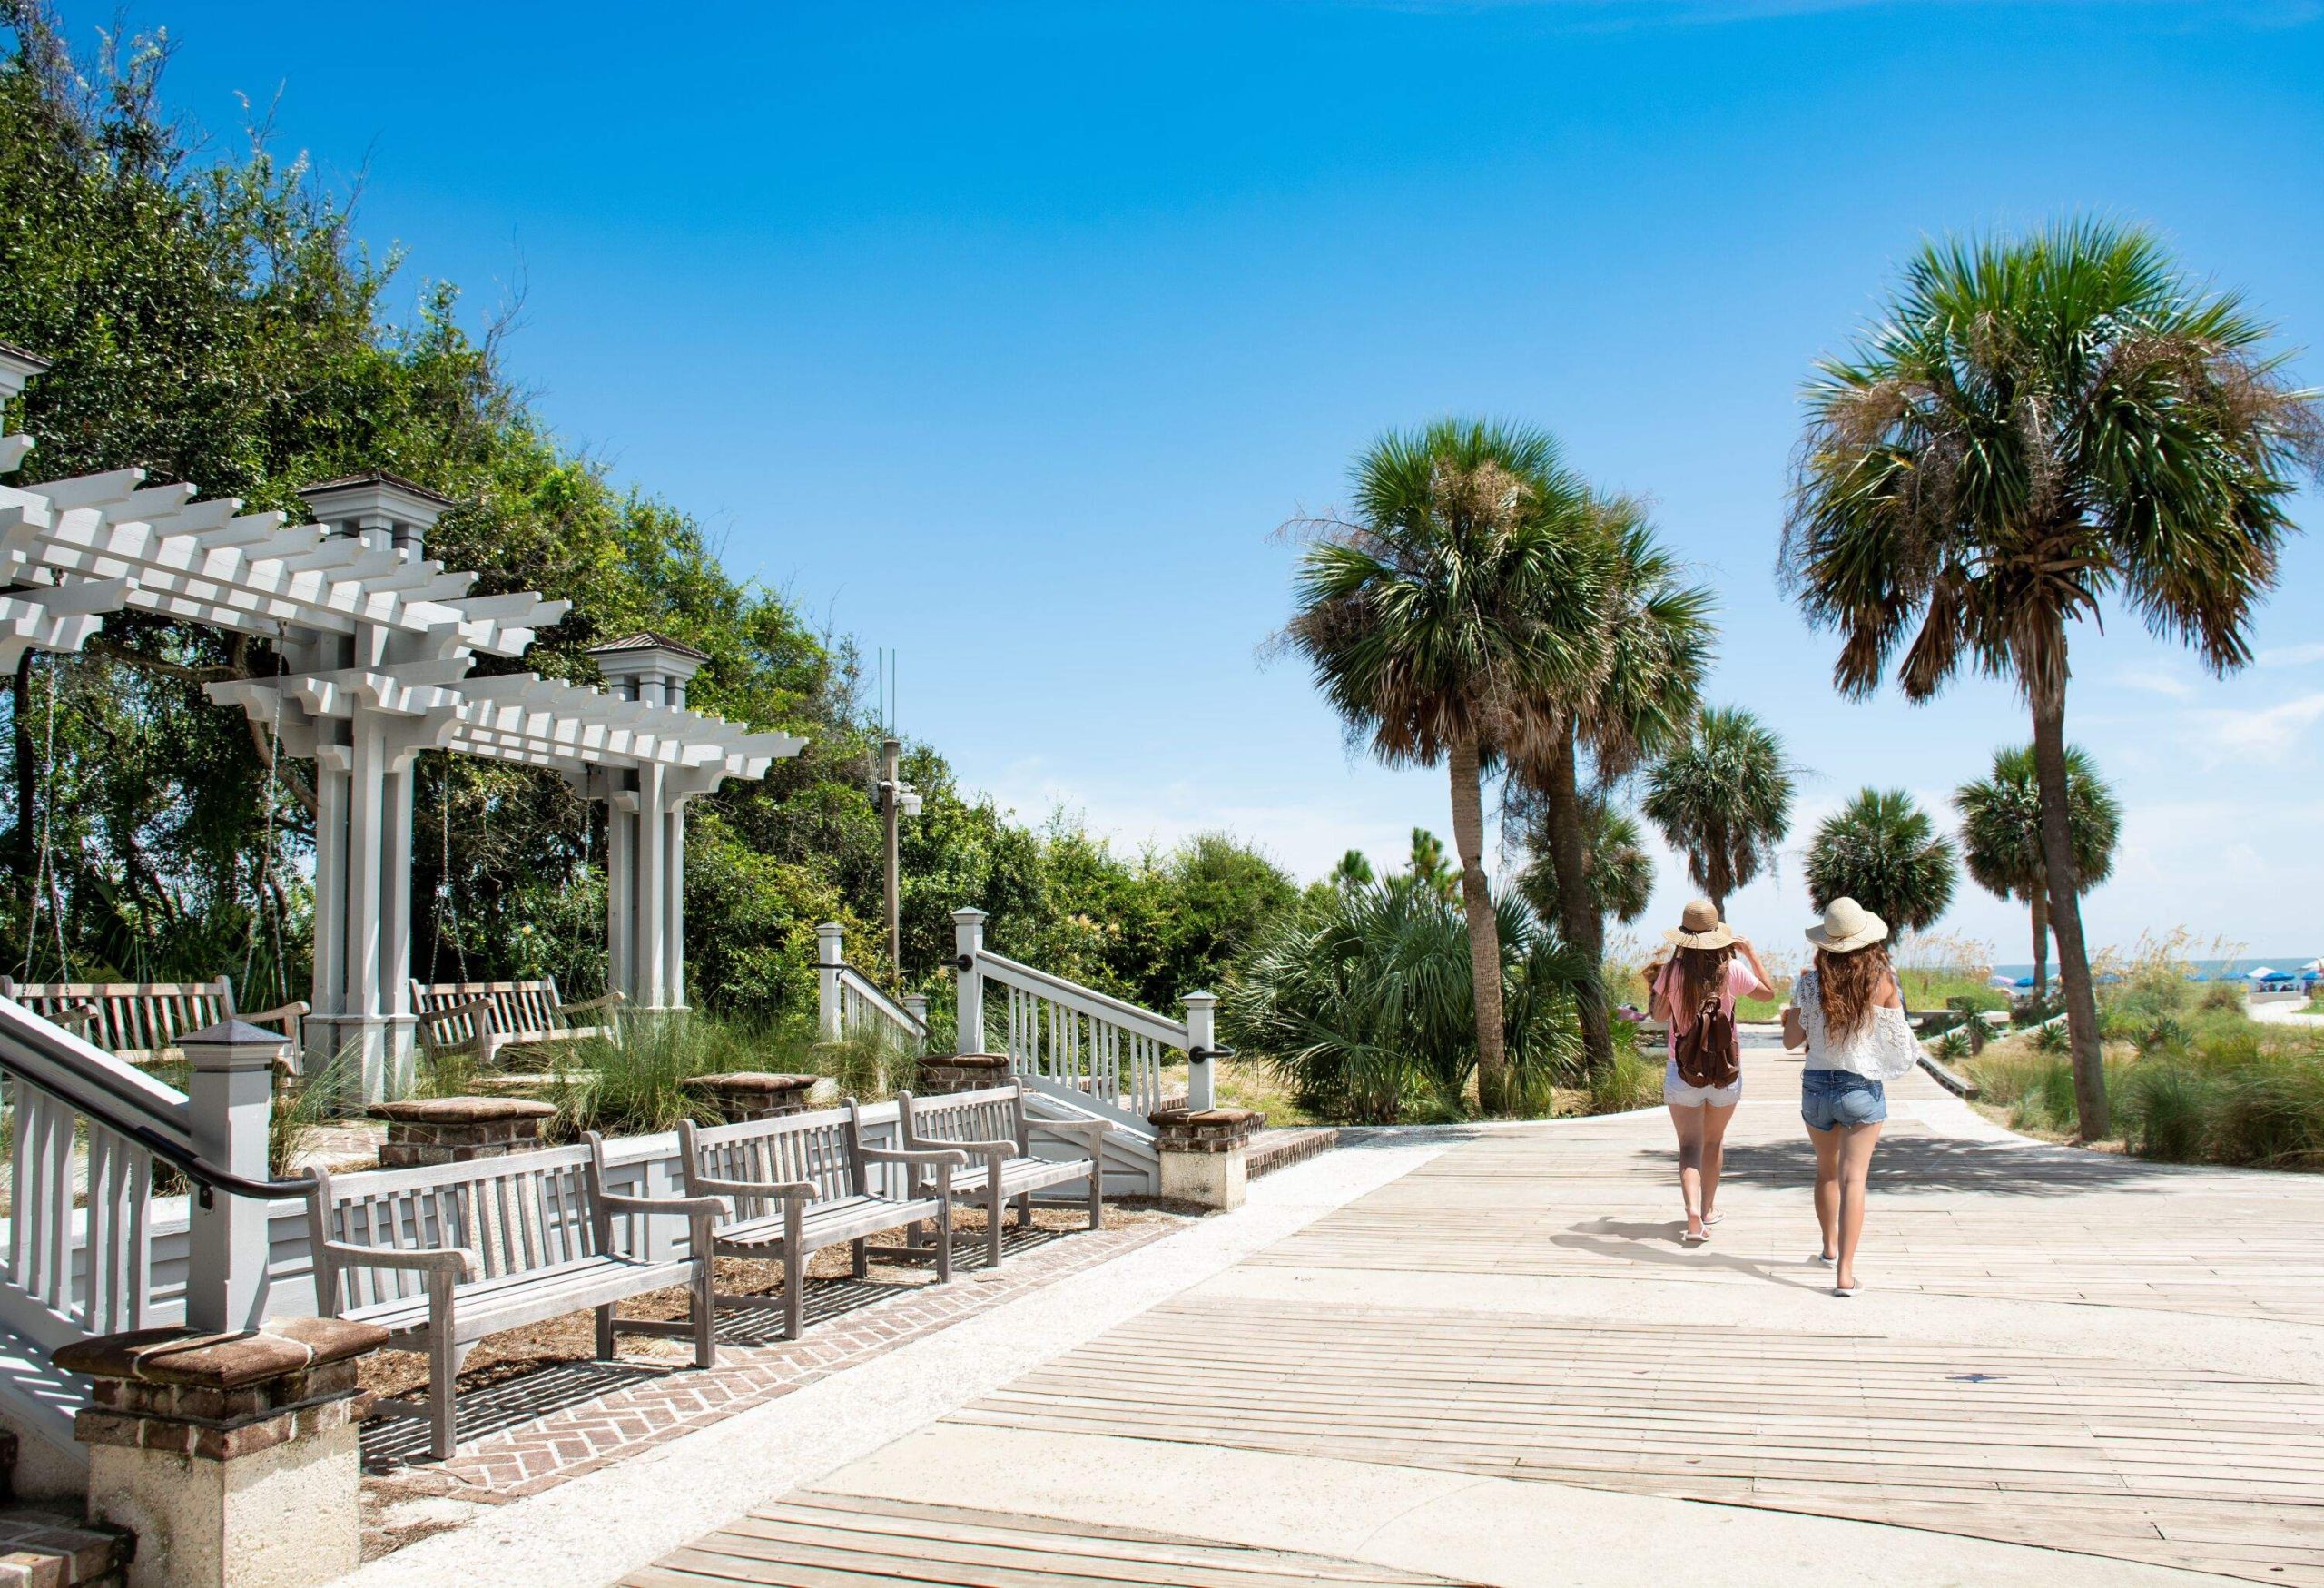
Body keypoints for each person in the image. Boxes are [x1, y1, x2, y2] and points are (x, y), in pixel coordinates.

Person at [1781, 896, 1922, 1296]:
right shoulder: (1881, 982)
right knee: (1853, 1180)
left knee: (1826, 1171)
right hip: (1860, 1088)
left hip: (1816, 1086)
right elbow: (1902, 1044)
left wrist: (1793, 1014)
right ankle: (1844, 1274)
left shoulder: (1808, 983)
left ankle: (1827, 1248)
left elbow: (1793, 1041)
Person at [1650, 900, 1775, 1245]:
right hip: (1725, 1072)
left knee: (1689, 1146)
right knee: (1713, 1142)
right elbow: (1768, 995)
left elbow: (1660, 1016)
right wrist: (1750, 952)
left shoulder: (1672, 971)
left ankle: (1691, 1213)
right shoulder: (1732, 969)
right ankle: (1707, 1210)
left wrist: (1667, 984)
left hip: (1682, 1071)